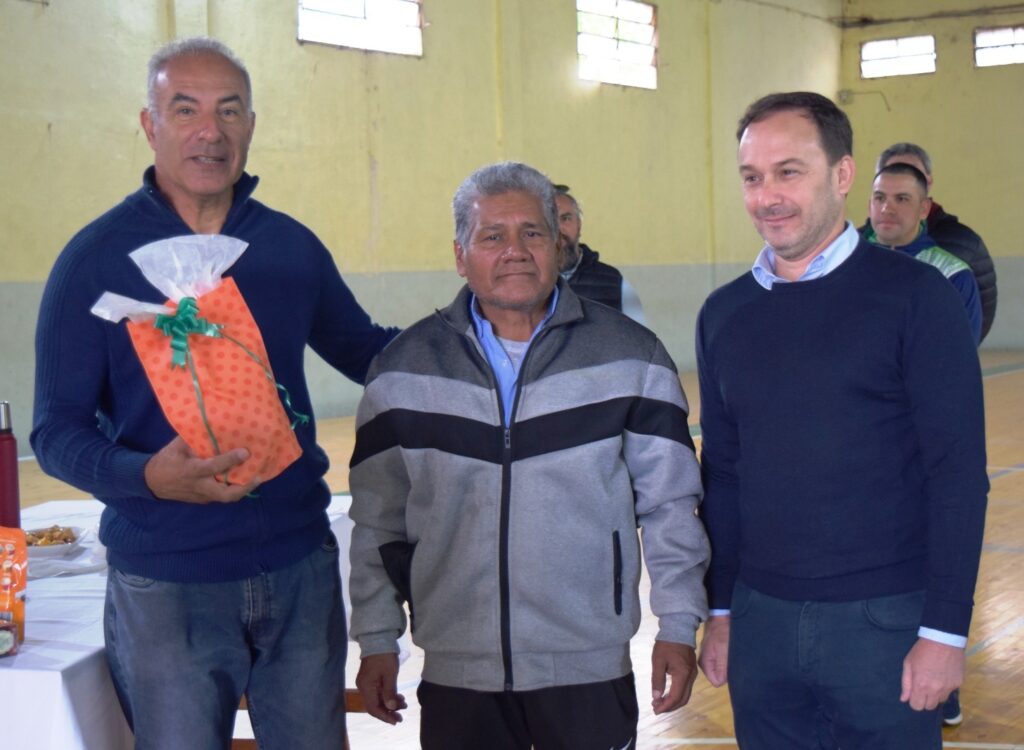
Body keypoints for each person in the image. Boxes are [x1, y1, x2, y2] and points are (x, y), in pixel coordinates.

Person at [31, 37, 399, 749]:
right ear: (150, 125)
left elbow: (368, 352)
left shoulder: (289, 248)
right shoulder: (95, 260)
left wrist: (483, 330)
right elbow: (54, 431)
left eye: (230, 111)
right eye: (186, 109)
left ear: (251, 126)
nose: (211, 131)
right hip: (168, 582)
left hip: (299, 569)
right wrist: (147, 476)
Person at [348, 161, 710, 749]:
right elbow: (377, 521)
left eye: (532, 232)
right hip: (458, 673)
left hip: (589, 668)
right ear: (461, 255)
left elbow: (671, 505)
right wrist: (376, 638)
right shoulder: (403, 370)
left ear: (558, 246)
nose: (514, 251)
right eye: (492, 236)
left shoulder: (631, 356)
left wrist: (677, 624)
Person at [696, 92, 988, 749]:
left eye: (788, 172)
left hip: (883, 623)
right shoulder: (724, 315)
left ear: (842, 174)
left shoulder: (917, 298)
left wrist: (944, 631)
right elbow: (726, 475)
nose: (767, 196)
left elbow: (957, 475)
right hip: (761, 622)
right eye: (752, 177)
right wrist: (722, 609)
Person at [870, 142, 997, 342]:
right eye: (879, 198)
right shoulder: (844, 260)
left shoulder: (954, 274)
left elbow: (962, 352)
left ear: (924, 208)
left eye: (901, 199)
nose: (887, 208)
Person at [553, 184, 646, 324]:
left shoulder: (613, 282)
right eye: (550, 220)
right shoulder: (529, 280)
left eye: (565, 218)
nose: (558, 228)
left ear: (579, 225)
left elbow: (637, 334)